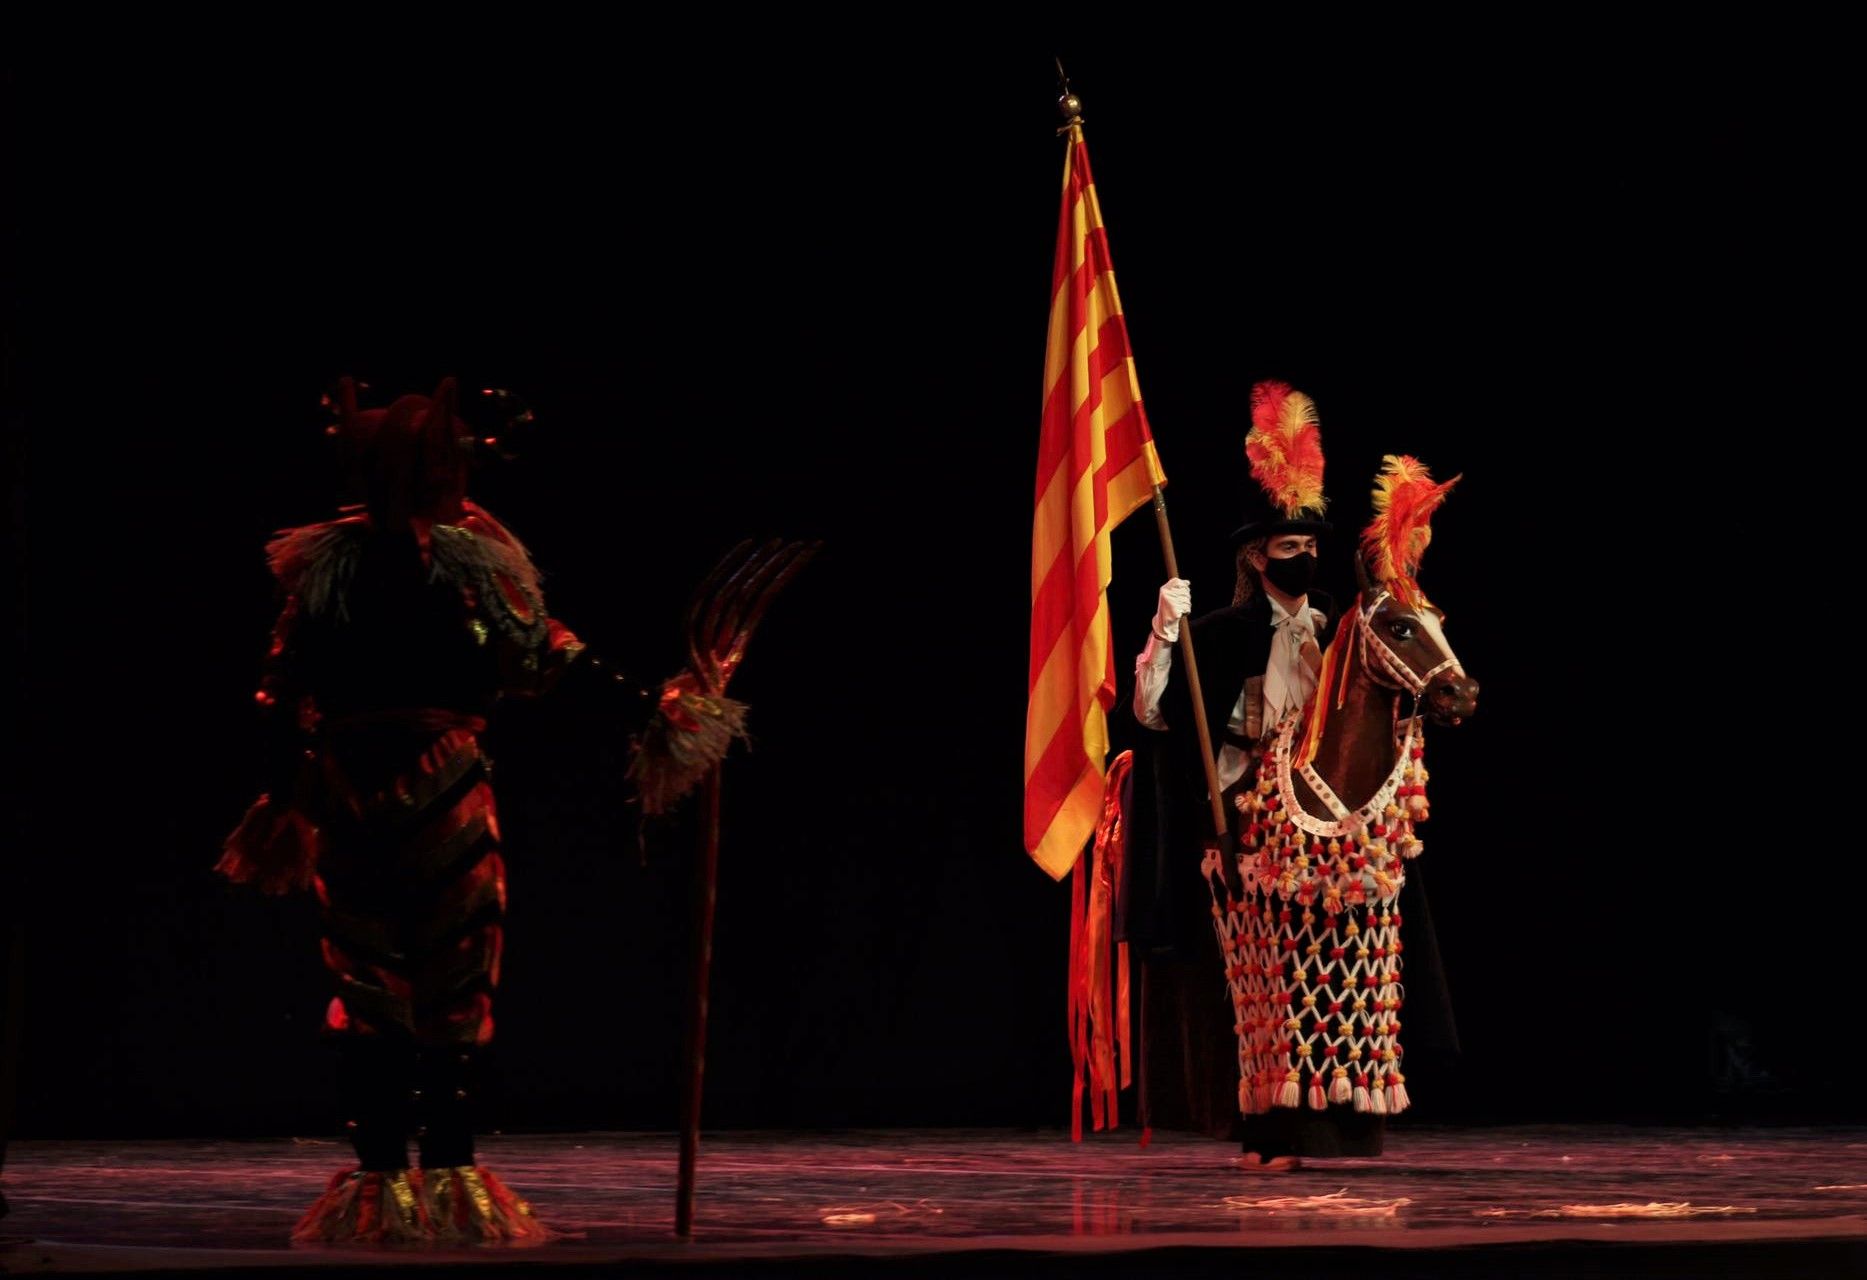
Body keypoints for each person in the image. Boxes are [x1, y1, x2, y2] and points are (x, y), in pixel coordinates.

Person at [218, 377, 737, 1244]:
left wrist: (283, 797)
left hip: (345, 793)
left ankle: (388, 1179)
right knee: (448, 975)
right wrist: (659, 708)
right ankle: (443, 1173)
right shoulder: (461, 561)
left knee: (371, 980)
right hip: (437, 787)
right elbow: (539, 659)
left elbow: (283, 691)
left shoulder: (323, 566)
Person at [1123, 380, 1342, 1165]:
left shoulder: (1331, 632)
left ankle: (1315, 1120)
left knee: (1316, 977)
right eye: (1289, 548)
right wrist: (1162, 630)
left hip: (1319, 824)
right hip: (1242, 821)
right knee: (1254, 979)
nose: (1305, 558)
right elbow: (1153, 713)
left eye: (1311, 547)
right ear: (1257, 556)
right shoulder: (1216, 634)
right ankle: (1256, 1123)